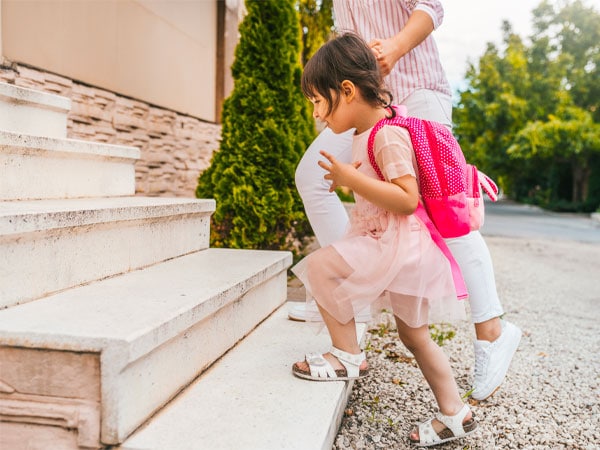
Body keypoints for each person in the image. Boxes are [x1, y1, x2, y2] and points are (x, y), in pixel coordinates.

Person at [290, 0, 521, 402]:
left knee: (444, 207)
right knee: (312, 176)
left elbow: (431, 6)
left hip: (418, 90)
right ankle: (352, 296)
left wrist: (394, 47)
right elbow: (347, 36)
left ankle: (492, 331)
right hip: (361, 98)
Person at [292, 33, 477, 446]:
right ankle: (456, 413)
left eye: (319, 102)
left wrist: (352, 178)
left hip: (395, 244)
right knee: (414, 336)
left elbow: (407, 199)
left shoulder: (387, 134)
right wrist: (350, 183)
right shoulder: (369, 132)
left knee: (321, 266)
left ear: (347, 90)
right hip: (394, 243)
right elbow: (381, 190)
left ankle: (347, 356)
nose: (319, 115)